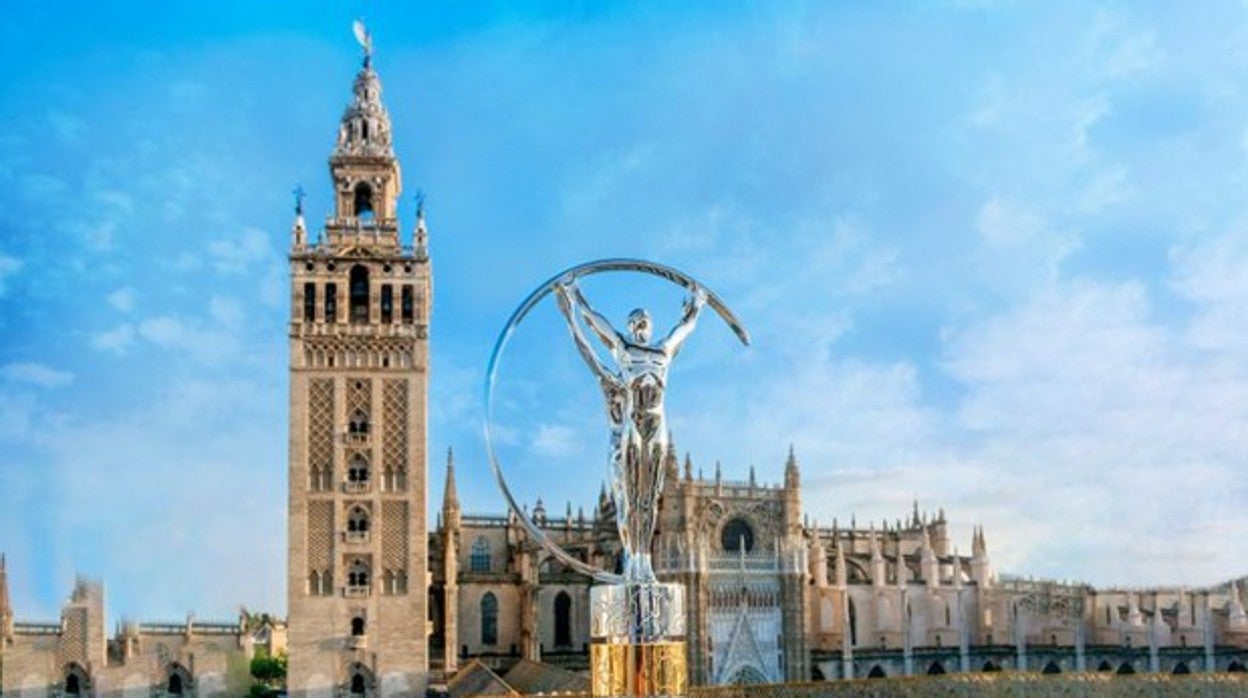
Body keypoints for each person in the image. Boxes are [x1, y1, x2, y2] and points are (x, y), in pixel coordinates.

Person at [553, 277, 706, 583]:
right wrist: (575, 297)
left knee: (650, 499)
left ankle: (645, 562)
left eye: (645, 321)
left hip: (658, 425)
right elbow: (596, 327)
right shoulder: (624, 351)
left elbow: (684, 330)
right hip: (633, 425)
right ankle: (635, 560)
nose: (641, 325)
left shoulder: (663, 352)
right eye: (635, 321)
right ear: (629, 326)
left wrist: (697, 306)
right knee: (633, 499)